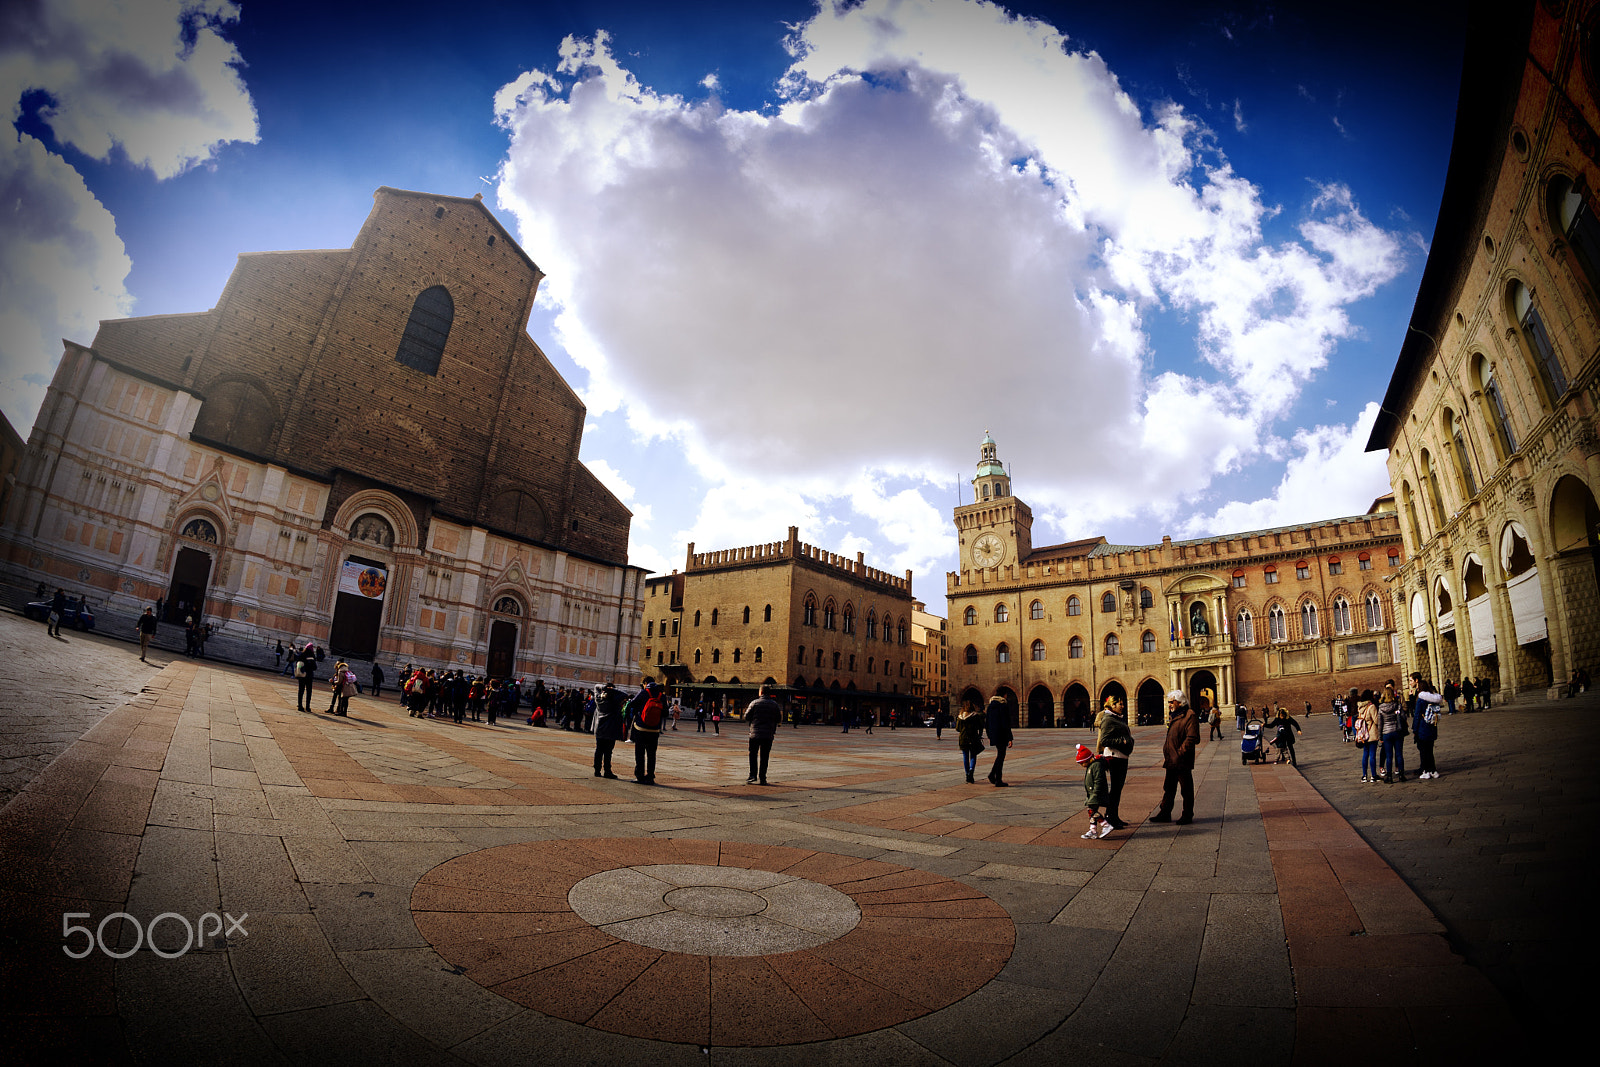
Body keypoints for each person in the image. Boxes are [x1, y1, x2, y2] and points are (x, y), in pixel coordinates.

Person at [1150, 689, 1199, 825]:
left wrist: (1180, 753)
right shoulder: (1175, 715)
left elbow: (1192, 737)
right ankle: (1165, 813)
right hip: (1171, 759)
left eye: (1172, 702)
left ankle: (1187, 814)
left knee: (1186, 789)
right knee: (1169, 788)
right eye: (1169, 702)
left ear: (1180, 702)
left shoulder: (1190, 715)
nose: (1169, 705)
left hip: (1182, 760)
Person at [1095, 696, 1134, 828]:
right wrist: (1123, 742)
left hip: (1120, 757)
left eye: (1123, 704)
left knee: (1117, 789)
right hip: (1114, 757)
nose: (1122, 706)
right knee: (1116, 789)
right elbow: (1104, 740)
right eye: (1120, 704)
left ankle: (1113, 816)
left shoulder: (1115, 718)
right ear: (1113, 705)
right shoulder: (1108, 719)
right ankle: (1110, 817)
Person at [744, 684, 782, 785]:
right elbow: (779, 719)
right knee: (765, 756)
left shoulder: (754, 703)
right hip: (768, 734)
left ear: (760, 692)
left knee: (753, 754)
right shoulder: (774, 704)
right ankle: (763, 777)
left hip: (754, 734)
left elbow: (746, 716)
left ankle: (752, 775)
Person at [1410, 676, 1446, 779]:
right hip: (1432, 726)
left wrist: (1414, 729)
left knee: (1423, 750)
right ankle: (1433, 770)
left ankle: (1426, 771)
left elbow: (1417, 715)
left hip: (1422, 728)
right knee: (1430, 750)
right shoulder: (1434, 699)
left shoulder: (1421, 700)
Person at [632, 681, 666, 783]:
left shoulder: (643, 693)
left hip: (641, 728)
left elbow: (632, 704)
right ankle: (650, 776)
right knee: (651, 754)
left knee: (640, 753)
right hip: (655, 730)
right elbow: (666, 712)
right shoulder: (662, 696)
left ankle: (640, 776)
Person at [592, 683, 626, 778]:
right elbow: (624, 694)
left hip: (600, 728)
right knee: (608, 752)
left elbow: (596, 686)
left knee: (599, 750)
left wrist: (605, 688)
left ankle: (597, 770)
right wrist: (612, 690)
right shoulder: (615, 700)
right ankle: (607, 771)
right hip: (611, 729)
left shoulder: (599, 699)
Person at [1376, 680, 1407, 782]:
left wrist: (1380, 736)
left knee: (1389, 755)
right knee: (1399, 754)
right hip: (1397, 732)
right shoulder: (1397, 705)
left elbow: (1380, 724)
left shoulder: (1381, 708)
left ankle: (1389, 776)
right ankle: (1401, 775)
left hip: (1386, 733)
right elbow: (1403, 717)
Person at [983, 696, 1014, 786]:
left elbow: (987, 723)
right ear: (1003, 696)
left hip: (994, 734)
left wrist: (989, 735)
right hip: (1002, 734)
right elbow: (1006, 723)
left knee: (1000, 755)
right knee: (1001, 756)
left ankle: (993, 775)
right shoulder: (1003, 706)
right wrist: (1010, 738)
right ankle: (997, 779)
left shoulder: (990, 707)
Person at [1355, 689, 1382, 782]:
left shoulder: (1360, 708)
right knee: (1372, 755)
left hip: (1363, 734)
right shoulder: (1371, 707)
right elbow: (1376, 721)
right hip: (1371, 733)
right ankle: (1373, 775)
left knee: (1365, 754)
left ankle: (1364, 776)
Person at [955, 701, 985, 783]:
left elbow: (957, 728)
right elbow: (980, 726)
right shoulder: (975, 716)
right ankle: (971, 771)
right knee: (973, 755)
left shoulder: (960, 717)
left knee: (965, 756)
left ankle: (967, 774)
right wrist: (979, 734)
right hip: (973, 738)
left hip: (963, 739)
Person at [295, 644, 318, 711]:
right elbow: (315, 667)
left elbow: (298, 663)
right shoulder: (312, 656)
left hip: (302, 675)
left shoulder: (301, 655)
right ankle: (307, 707)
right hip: (309, 676)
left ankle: (300, 705)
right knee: (309, 691)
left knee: (301, 690)